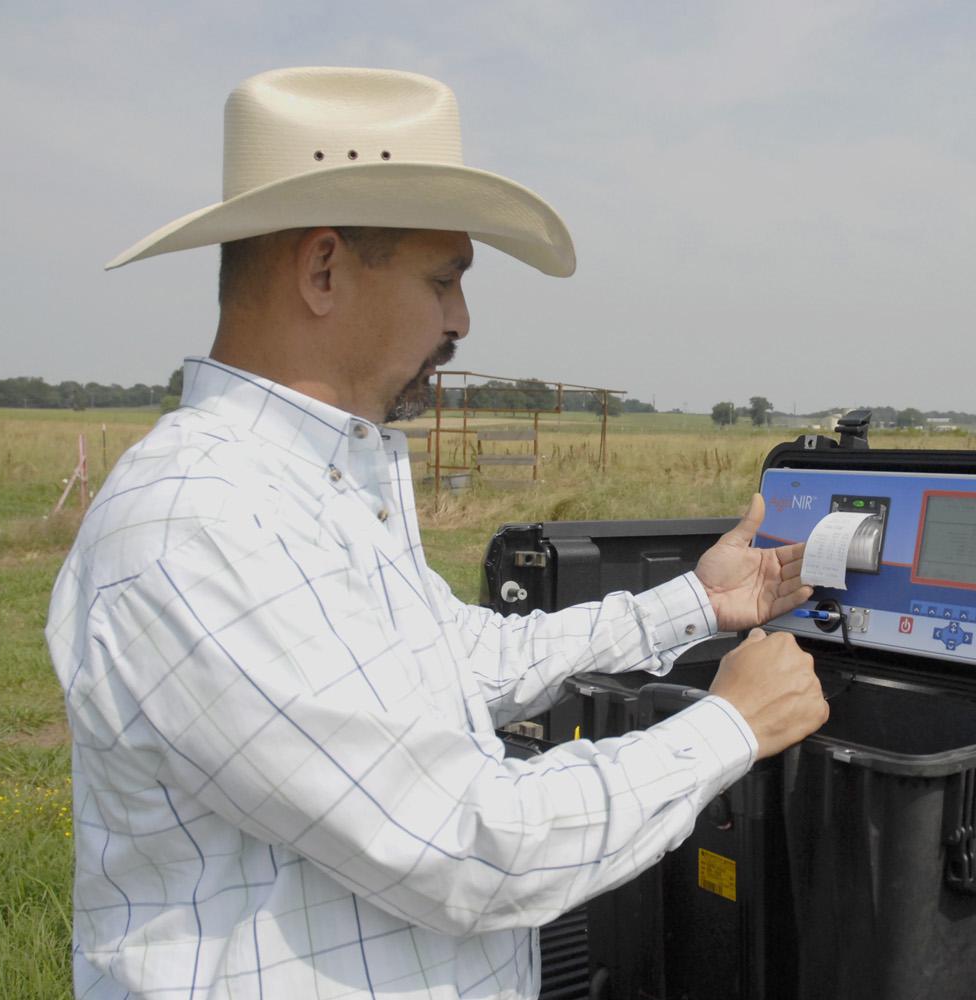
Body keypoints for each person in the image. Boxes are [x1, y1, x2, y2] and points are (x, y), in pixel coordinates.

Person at [46, 66, 828, 999]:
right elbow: (462, 845)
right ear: (324, 269)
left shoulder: (313, 490)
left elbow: (464, 666)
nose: (462, 319)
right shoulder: (200, 523)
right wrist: (728, 728)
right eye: (444, 278)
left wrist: (700, 603)